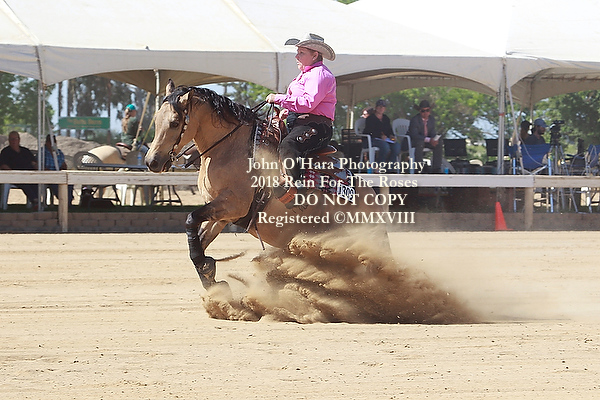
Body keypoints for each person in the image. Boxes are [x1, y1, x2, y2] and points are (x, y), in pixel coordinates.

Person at [265, 33, 336, 206]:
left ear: (315, 55)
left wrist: (278, 98)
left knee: (289, 145)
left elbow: (308, 103)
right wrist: (287, 111)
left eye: (301, 53)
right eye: (297, 52)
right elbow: (301, 103)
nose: (296, 56)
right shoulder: (305, 75)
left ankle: (296, 191)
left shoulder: (320, 74)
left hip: (317, 126)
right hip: (302, 123)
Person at [0, 131, 39, 208]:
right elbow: (3, 165)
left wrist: (36, 167)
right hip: (14, 176)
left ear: (19, 139)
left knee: (35, 182)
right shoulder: (5, 152)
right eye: (11, 139)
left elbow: (34, 162)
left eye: (15, 139)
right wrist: (13, 173)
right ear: (9, 140)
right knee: (24, 182)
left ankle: (37, 201)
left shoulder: (25, 151)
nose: (14, 141)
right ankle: (35, 201)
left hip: (28, 174)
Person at [408, 100, 443, 173]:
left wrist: (434, 139)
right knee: (420, 143)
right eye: (423, 111)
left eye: (427, 110)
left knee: (439, 143)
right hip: (415, 141)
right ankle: (419, 168)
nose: (425, 113)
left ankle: (436, 169)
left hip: (427, 141)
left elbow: (432, 132)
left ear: (430, 111)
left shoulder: (431, 119)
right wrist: (429, 140)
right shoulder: (415, 120)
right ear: (419, 111)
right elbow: (414, 135)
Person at [363, 99, 401, 163]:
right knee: (385, 147)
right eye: (380, 107)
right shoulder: (370, 118)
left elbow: (389, 130)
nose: (381, 108)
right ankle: (380, 165)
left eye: (383, 107)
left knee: (396, 146)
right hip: (372, 139)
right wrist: (380, 136)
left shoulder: (386, 118)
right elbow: (370, 131)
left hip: (385, 140)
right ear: (376, 108)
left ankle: (390, 166)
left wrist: (391, 136)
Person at [43, 134, 74, 205]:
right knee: (56, 184)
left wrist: (62, 170)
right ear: (46, 142)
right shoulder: (42, 152)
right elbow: (41, 166)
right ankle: (63, 199)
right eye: (50, 142)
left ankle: (68, 201)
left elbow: (63, 165)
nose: (52, 143)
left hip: (59, 174)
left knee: (69, 182)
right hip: (48, 175)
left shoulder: (59, 152)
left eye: (54, 141)